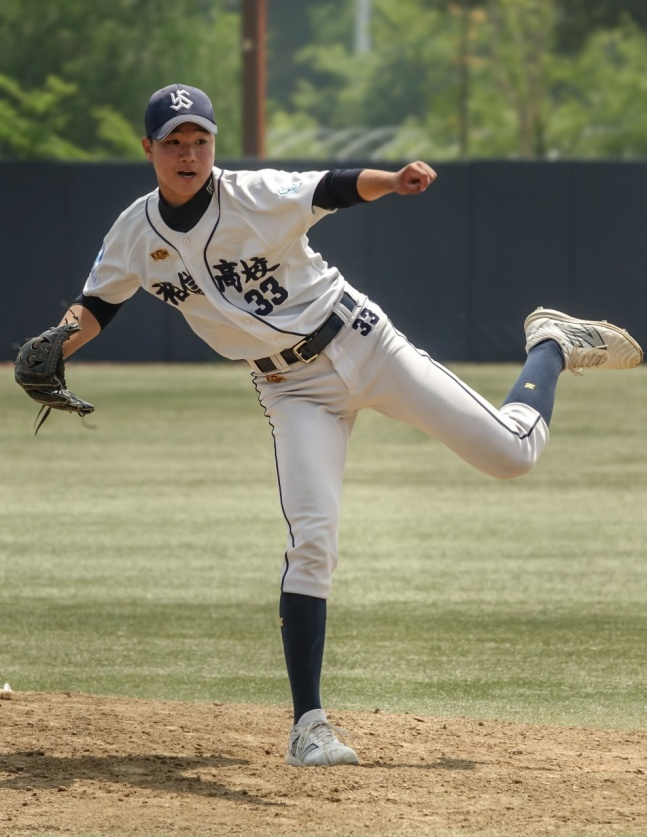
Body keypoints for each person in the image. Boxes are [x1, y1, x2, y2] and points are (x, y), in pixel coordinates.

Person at [37, 84, 643, 766]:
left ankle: (551, 344)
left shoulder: (253, 193)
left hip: (360, 341)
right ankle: (309, 725)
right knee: (312, 541)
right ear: (147, 148)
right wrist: (56, 346)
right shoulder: (133, 233)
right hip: (290, 388)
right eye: (173, 141)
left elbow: (331, 185)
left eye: (199, 139)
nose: (188, 153)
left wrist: (393, 180)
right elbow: (94, 307)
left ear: (213, 144)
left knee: (511, 454)